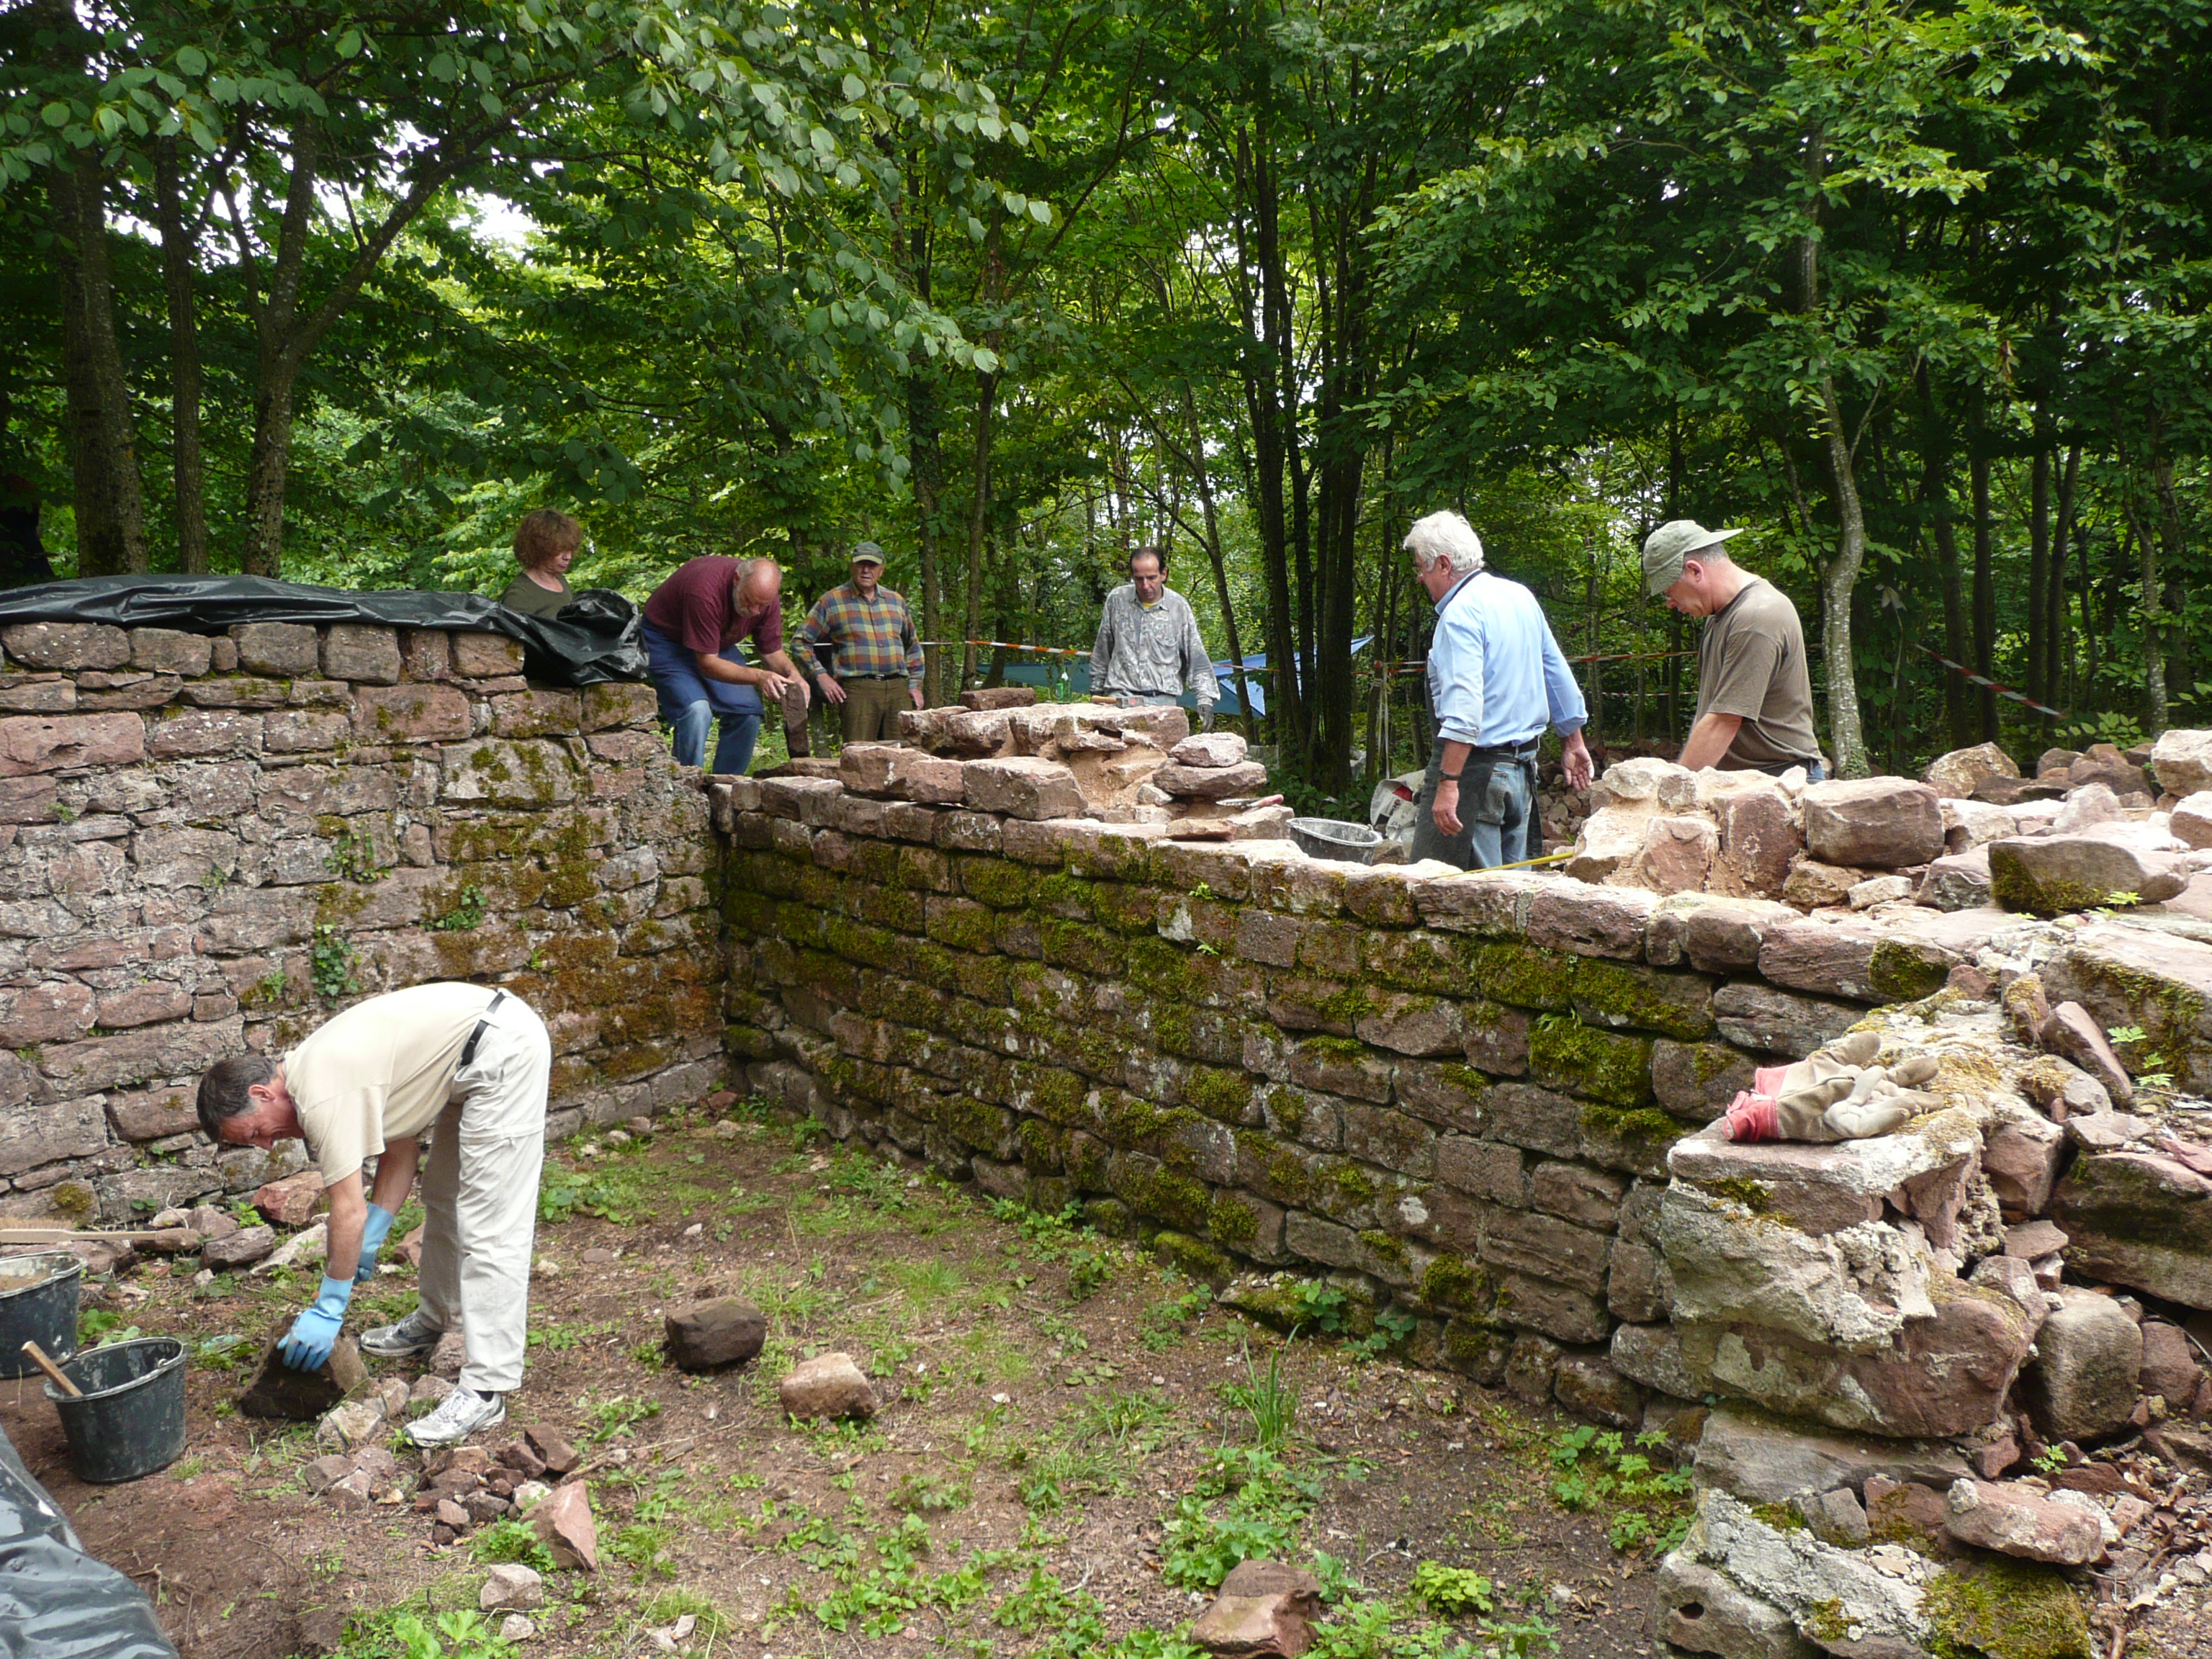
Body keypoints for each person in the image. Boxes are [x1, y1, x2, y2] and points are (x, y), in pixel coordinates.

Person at [195, 984, 552, 1448]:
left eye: (255, 1132)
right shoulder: (318, 1076)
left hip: (502, 1051)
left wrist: (330, 1305)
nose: (265, 1146)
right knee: (444, 1198)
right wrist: (377, 1230)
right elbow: (399, 1147)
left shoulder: (320, 1093)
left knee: (491, 1223)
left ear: (263, 1093)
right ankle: (436, 1318)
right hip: (466, 1059)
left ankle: (487, 1388)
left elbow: (347, 1210)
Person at [1406, 511, 1594, 870]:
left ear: (1444, 564)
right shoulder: (1519, 596)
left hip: (1476, 775)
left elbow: (1464, 711)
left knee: (1464, 893)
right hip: (1522, 773)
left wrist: (1448, 783)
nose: (1420, 578)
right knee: (1514, 889)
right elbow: (1555, 672)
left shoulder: (1459, 614)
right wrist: (1573, 741)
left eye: (1422, 568)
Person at [1642, 519, 1826, 779]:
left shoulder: (1756, 617)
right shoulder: (1720, 615)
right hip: (1748, 780)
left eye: (1669, 591)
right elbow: (1711, 713)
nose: (1670, 603)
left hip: (1780, 782)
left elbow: (1724, 721)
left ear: (1695, 571)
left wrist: (1675, 789)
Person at [641, 554, 812, 774]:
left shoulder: (765, 598)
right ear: (737, 580)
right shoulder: (704, 591)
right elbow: (708, 664)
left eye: (762, 605)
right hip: (667, 640)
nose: (754, 611)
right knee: (696, 712)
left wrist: (794, 675)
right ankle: (689, 784)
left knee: (748, 713)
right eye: (749, 601)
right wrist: (761, 677)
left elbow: (772, 652)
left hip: (716, 643)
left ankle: (726, 784)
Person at [797, 542, 926, 742]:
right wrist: (822, 676)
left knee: (903, 752)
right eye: (861, 564)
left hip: (898, 689)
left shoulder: (896, 601)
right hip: (858, 690)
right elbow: (800, 642)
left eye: (872, 565)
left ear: (881, 570)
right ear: (852, 566)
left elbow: (913, 646)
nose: (866, 570)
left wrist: (915, 685)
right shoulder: (832, 601)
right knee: (858, 754)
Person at [1089, 547, 1217, 725]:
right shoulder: (1117, 600)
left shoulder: (1178, 608)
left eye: (1151, 578)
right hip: (1119, 699)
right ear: (1132, 575)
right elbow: (1103, 648)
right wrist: (1096, 689)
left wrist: (1205, 700)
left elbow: (1197, 657)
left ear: (1164, 574)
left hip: (1162, 703)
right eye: (1139, 579)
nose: (1145, 585)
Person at [498, 508, 582, 618]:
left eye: (570, 550)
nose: (568, 557)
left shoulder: (560, 580)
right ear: (539, 549)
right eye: (560, 550)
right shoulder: (519, 596)